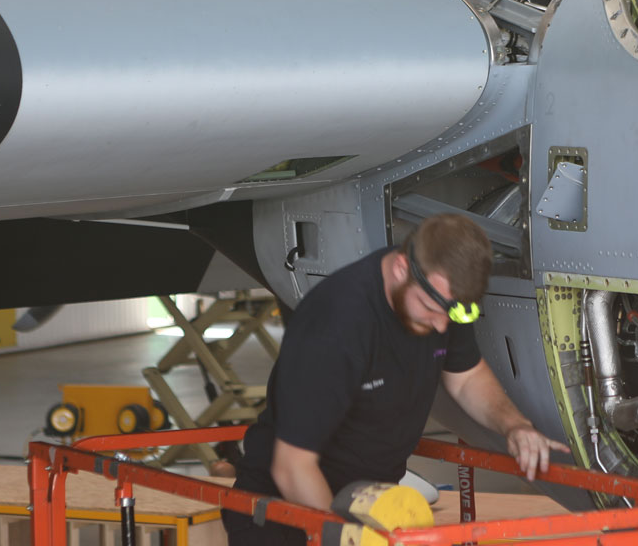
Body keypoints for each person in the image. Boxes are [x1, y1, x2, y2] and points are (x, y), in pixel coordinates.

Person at [223, 214, 569, 546]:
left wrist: (515, 426)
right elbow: (292, 466)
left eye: (454, 314)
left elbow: (465, 378)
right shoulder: (337, 325)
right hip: (284, 514)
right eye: (431, 309)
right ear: (402, 268)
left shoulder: (443, 301)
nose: (441, 328)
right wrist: (342, 536)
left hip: (365, 505)